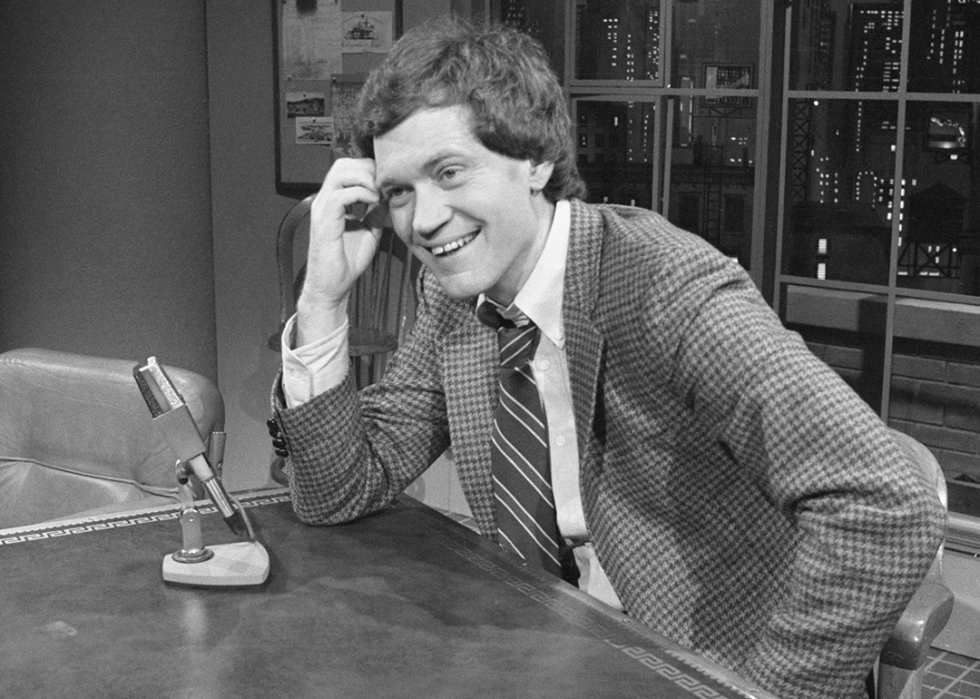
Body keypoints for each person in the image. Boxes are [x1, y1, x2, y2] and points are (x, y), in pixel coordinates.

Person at [269, 18, 944, 699]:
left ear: (534, 159)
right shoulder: (451, 300)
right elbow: (337, 492)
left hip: (709, 664)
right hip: (548, 644)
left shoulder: (666, 287)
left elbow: (886, 504)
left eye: (449, 171)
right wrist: (323, 297)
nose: (423, 219)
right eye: (399, 192)